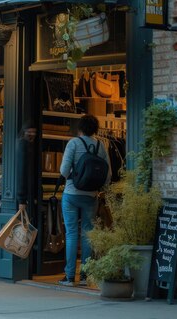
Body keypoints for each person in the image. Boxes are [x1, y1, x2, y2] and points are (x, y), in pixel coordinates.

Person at [58, 114, 111, 287]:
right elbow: (108, 175)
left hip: (71, 194)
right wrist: (97, 189)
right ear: (95, 129)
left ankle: (69, 276)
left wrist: (73, 177)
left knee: (72, 233)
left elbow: (64, 170)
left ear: (79, 128)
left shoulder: (73, 143)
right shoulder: (100, 145)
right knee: (88, 234)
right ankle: (85, 276)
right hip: (91, 196)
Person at [16, 121, 37, 208]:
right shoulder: (23, 144)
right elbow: (22, 171)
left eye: (34, 132)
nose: (32, 135)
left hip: (27, 194)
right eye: (29, 132)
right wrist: (22, 199)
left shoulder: (25, 144)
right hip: (25, 195)